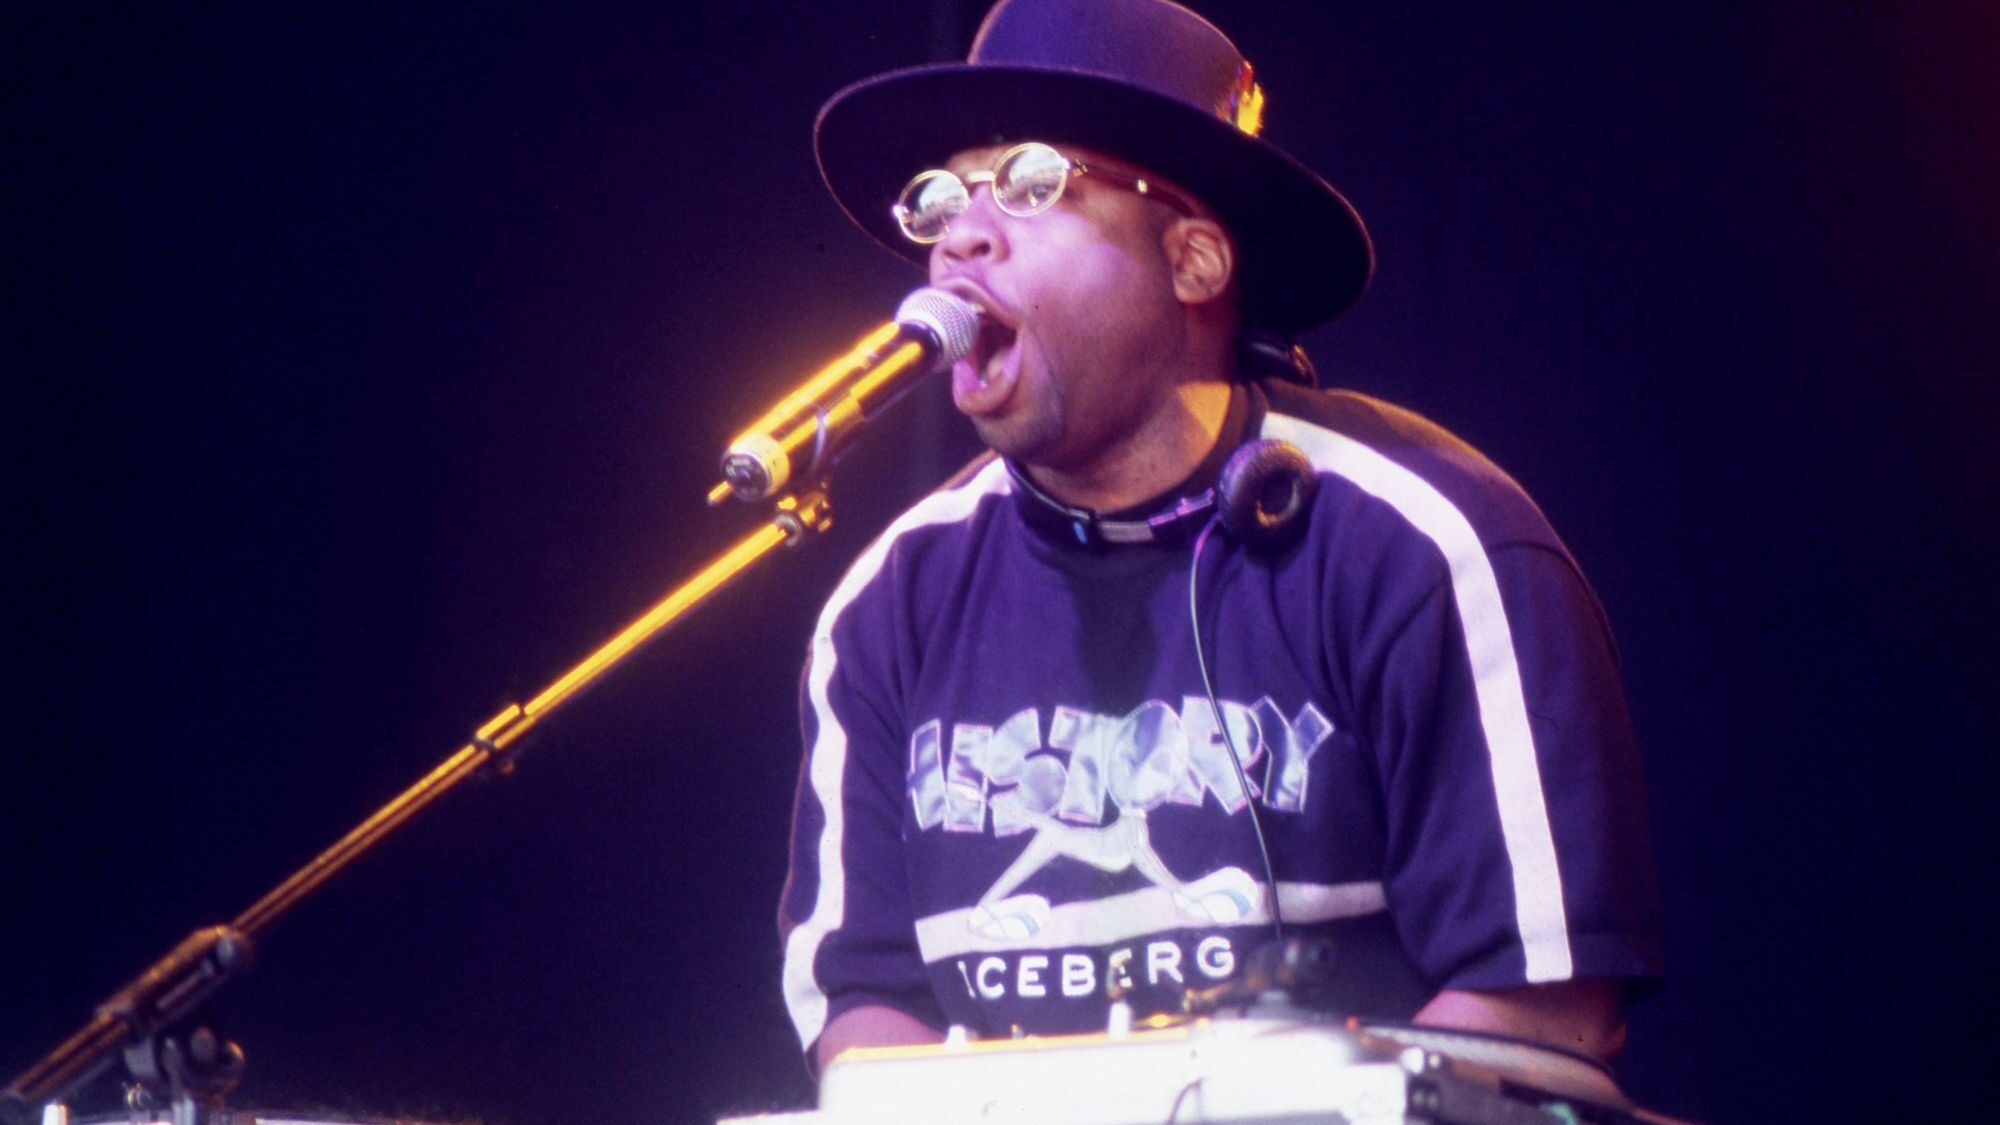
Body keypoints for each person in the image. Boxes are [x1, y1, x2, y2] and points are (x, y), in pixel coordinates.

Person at [777, 0, 1661, 1074]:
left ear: (1193, 260)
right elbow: (863, 1010)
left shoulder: (1425, 547)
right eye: (940, 201)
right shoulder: (890, 605)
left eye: (1030, 182)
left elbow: (1547, 1007)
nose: (962, 234)